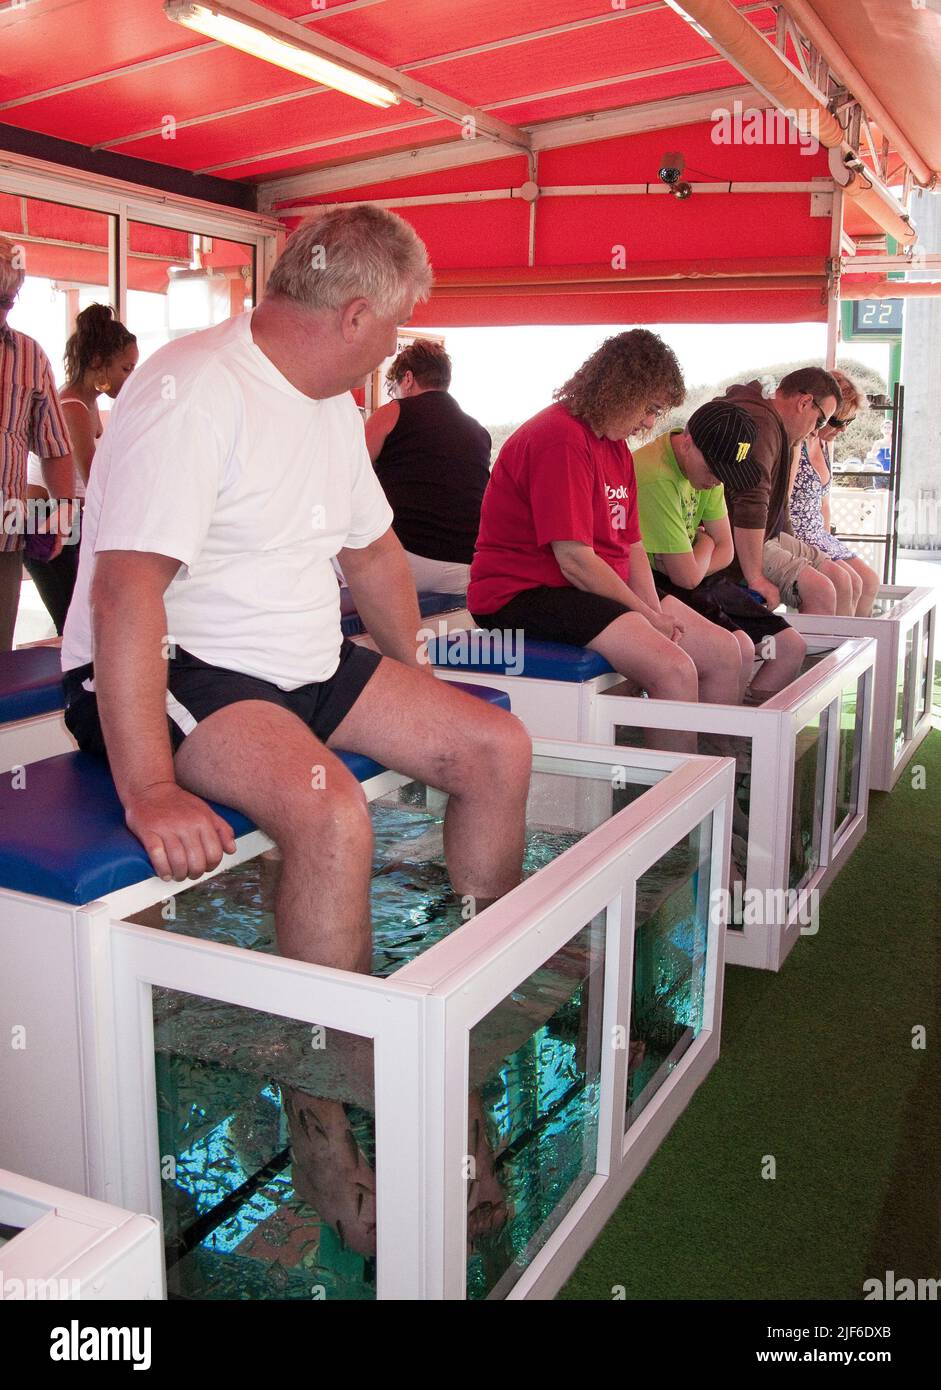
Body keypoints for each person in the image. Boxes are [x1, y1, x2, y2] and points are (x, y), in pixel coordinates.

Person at [60, 205, 532, 1255]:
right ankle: (317, 1117)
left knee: (494, 750)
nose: (398, 346)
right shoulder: (191, 388)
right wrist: (148, 788)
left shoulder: (325, 397)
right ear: (356, 312)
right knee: (331, 819)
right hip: (177, 665)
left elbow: (371, 555)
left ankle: (457, 1009)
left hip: (303, 663)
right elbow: (128, 596)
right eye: (397, 325)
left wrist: (415, 692)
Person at [467, 330, 750, 755]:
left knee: (723, 652)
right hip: (521, 594)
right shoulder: (559, 438)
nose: (651, 423)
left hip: (582, 591)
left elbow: (630, 546)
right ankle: (674, 811)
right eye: (651, 407)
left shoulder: (615, 449)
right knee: (673, 670)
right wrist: (647, 619)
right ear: (620, 390)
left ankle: (717, 789)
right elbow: (575, 561)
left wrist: (654, 612)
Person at [634, 399, 807, 699]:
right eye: (716, 468)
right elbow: (685, 577)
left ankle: (746, 731)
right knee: (734, 649)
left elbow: (726, 551)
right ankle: (720, 741)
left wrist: (703, 549)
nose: (718, 479)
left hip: (697, 578)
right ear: (688, 442)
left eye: (728, 472)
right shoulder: (656, 475)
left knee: (789, 646)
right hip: (654, 584)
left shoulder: (708, 470)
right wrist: (706, 542)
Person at [25, 304, 138, 634]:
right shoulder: (72, 406)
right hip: (45, 516)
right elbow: (92, 482)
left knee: (82, 618)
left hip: (62, 516)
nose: (131, 377)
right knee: (75, 620)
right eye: (126, 368)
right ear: (98, 365)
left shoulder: (86, 402)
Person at [716, 368, 858, 616]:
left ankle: (835, 653)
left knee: (840, 578)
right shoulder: (762, 424)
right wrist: (755, 577)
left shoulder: (776, 425)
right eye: (822, 420)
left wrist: (788, 539)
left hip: (765, 534)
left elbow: (778, 503)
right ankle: (817, 654)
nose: (817, 431)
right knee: (821, 589)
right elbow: (750, 502)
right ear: (804, 402)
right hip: (740, 539)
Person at [364, 338, 491, 595]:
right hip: (468, 568)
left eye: (395, 386)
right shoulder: (479, 431)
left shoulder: (393, 412)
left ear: (407, 379)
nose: (395, 393)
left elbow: (348, 472)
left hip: (408, 561)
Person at [0, 236, 75, 649]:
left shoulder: (28, 355)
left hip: (4, 541)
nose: (2, 309)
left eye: (9, 300)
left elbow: (55, 446)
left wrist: (61, 510)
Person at [790, 368, 880, 617]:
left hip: (818, 534)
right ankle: (834, 650)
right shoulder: (797, 443)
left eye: (849, 422)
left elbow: (824, 505)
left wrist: (828, 543)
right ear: (823, 415)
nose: (843, 430)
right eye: (839, 421)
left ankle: (857, 649)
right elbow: (783, 500)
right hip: (795, 536)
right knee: (847, 583)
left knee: (870, 581)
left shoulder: (825, 444)